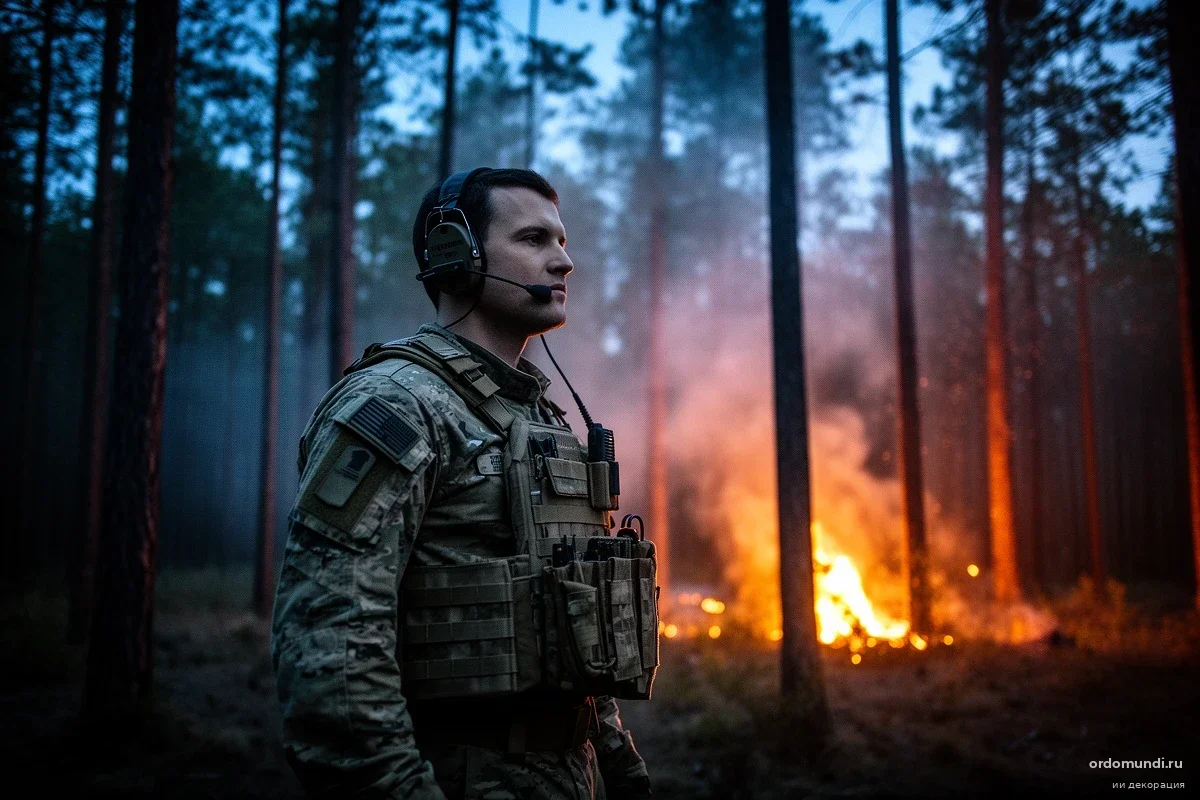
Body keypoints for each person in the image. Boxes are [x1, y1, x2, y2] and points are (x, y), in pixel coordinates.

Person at [272, 167, 658, 800]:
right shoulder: (395, 406)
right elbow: (331, 653)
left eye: (562, 241)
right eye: (534, 240)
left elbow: (570, 626)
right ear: (456, 252)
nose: (565, 262)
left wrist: (620, 768)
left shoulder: (541, 418)